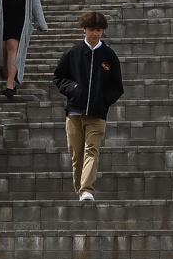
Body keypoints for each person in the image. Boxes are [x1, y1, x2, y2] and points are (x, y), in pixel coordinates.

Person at [52, 10, 124, 202]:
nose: (95, 33)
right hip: (74, 112)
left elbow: (117, 86)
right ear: (84, 29)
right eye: (92, 29)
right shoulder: (72, 53)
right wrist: (73, 89)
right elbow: (59, 77)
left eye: (99, 29)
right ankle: (81, 190)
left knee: (92, 150)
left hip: (97, 114)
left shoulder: (109, 55)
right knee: (76, 156)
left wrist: (102, 99)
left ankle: (87, 189)